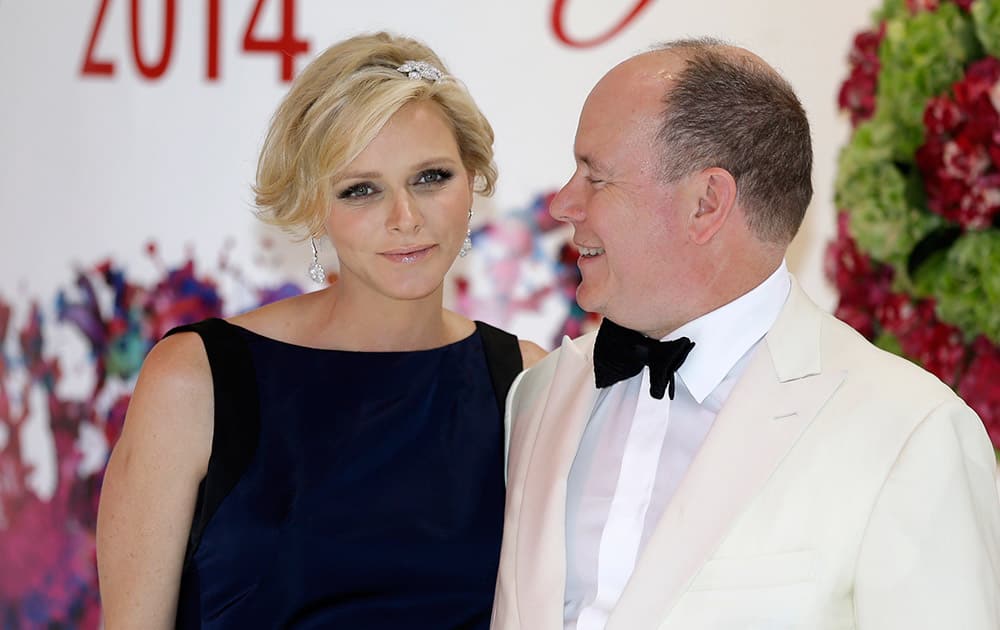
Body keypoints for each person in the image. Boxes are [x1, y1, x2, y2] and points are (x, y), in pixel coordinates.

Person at [491, 38, 1000, 629]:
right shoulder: (539, 396)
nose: (563, 204)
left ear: (707, 203)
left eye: (595, 176)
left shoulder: (912, 430)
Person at [96, 31, 546, 629]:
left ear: (472, 182)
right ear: (313, 207)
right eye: (361, 190)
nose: (405, 218)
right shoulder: (197, 380)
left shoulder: (524, 382)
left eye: (431, 177)